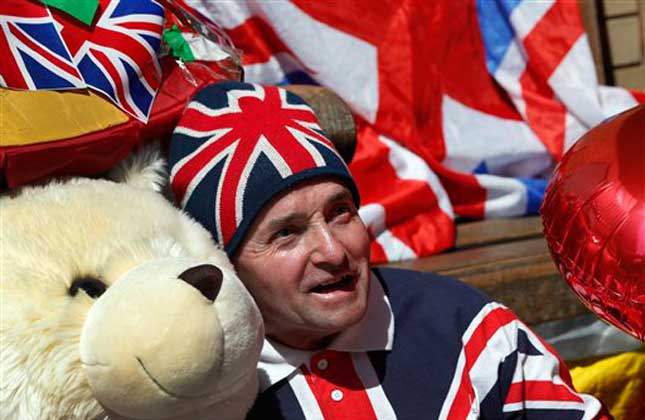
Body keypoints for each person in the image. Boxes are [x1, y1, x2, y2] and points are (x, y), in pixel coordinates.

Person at [168, 82, 612, 419]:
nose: (332, 250)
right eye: (287, 233)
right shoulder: (199, 391)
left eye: (340, 212)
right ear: (226, 263)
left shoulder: (467, 332)